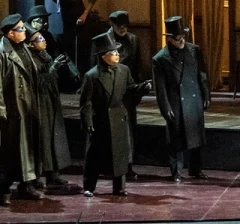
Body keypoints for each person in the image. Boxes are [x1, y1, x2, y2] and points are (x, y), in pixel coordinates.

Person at [80, 32, 149, 197]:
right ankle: (89, 186)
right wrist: (87, 122)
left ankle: (119, 187)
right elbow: (86, 102)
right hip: (101, 120)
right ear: (103, 56)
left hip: (118, 117)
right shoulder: (92, 76)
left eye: (117, 52)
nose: (117, 55)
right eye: (113, 53)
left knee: (120, 154)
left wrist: (142, 88)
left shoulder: (124, 70)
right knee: (94, 155)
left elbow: (130, 89)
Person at [152, 16, 210, 182]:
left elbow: (202, 75)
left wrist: (205, 95)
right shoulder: (161, 58)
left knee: (196, 137)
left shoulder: (194, 50)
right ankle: (176, 172)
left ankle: (196, 169)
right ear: (170, 39)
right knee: (176, 139)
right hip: (176, 102)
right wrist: (165, 107)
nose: (182, 40)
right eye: (178, 38)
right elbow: (160, 87)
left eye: (183, 36)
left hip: (194, 98)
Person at [94, 11, 146, 180]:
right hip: (108, 91)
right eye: (119, 26)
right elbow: (94, 67)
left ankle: (127, 165)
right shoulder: (102, 40)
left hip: (127, 91)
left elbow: (138, 65)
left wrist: (137, 91)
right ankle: (108, 166)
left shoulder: (133, 40)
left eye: (125, 26)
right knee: (108, 130)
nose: (123, 29)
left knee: (128, 131)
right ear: (112, 25)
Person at [0, 14, 42, 204]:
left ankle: (26, 185)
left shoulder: (24, 48)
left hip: (27, 105)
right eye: (21, 29)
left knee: (28, 147)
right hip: (12, 109)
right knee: (9, 151)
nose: (25, 31)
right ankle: (3, 190)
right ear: (10, 33)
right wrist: (1, 111)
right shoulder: (3, 52)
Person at [24, 26, 70, 189]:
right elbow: (37, 83)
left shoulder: (45, 56)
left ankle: (53, 174)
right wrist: (53, 68)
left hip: (51, 101)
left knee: (53, 137)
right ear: (30, 45)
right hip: (40, 103)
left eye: (43, 38)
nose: (43, 41)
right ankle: (38, 176)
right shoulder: (31, 61)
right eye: (39, 39)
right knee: (42, 139)